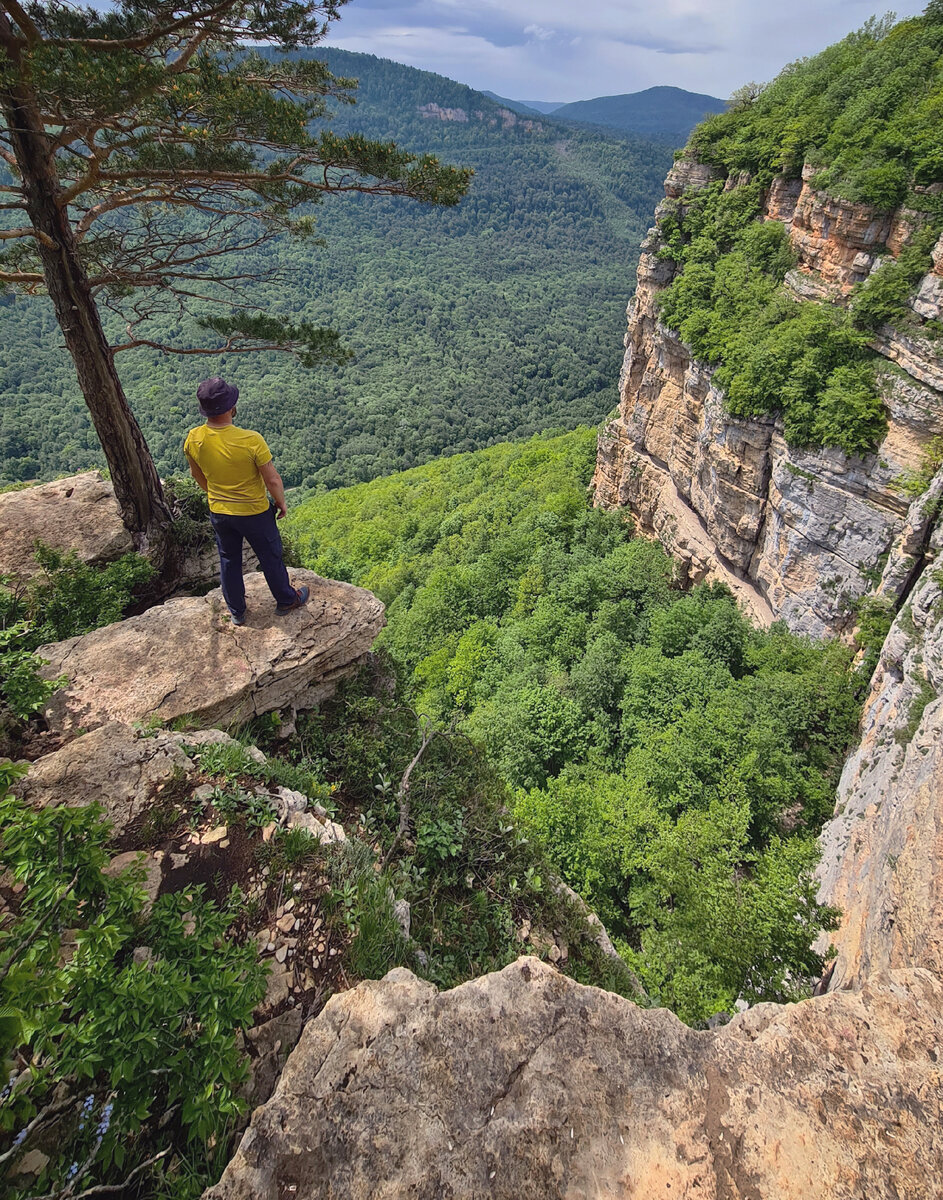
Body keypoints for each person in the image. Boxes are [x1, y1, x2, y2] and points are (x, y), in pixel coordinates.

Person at [183, 376, 308, 626]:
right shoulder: (251, 440)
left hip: (219, 511)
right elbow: (271, 479)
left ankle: (237, 611)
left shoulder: (194, 438)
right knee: (270, 556)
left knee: (229, 559)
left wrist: (216, 495)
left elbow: (197, 475)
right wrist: (281, 502)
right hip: (254, 512)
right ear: (231, 407)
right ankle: (286, 599)